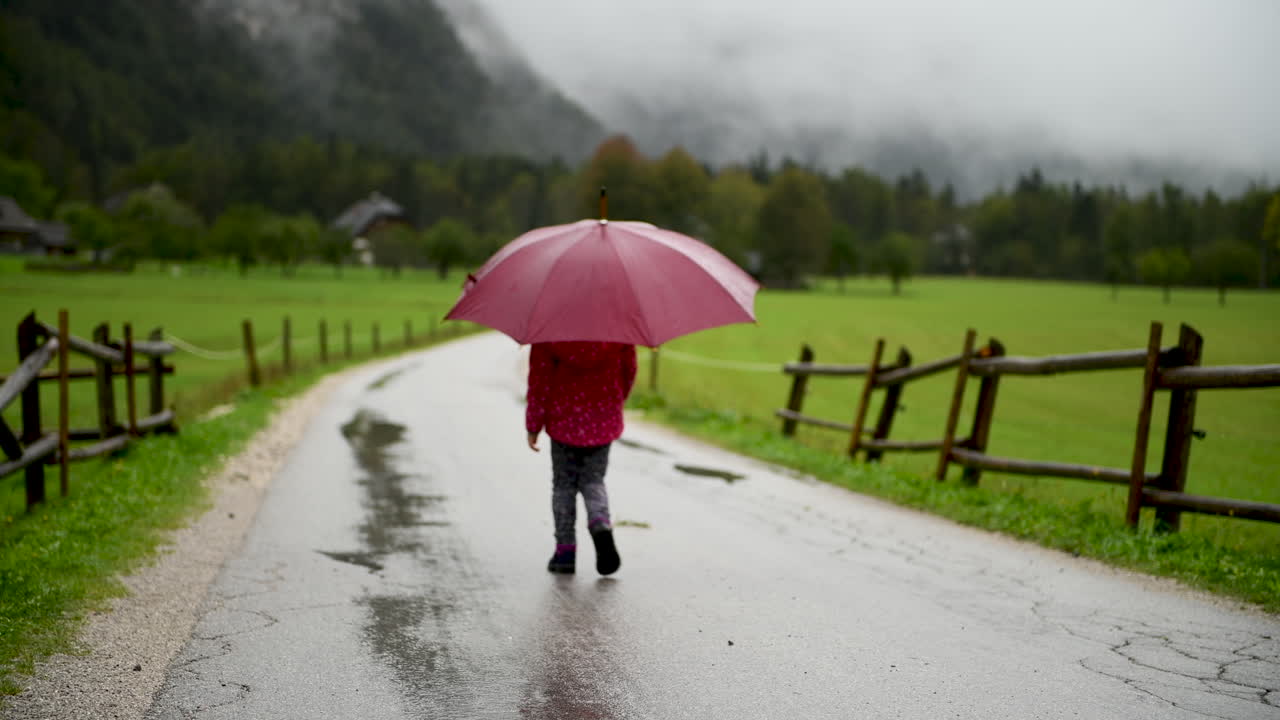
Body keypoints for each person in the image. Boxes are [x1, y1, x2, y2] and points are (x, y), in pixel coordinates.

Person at [526, 340, 637, 576]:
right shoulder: (619, 329)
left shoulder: (550, 329)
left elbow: (540, 380)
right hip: (603, 418)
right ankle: (600, 525)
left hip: (562, 420)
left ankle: (565, 552)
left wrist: (534, 424)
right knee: (593, 480)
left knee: (563, 486)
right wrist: (615, 401)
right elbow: (629, 372)